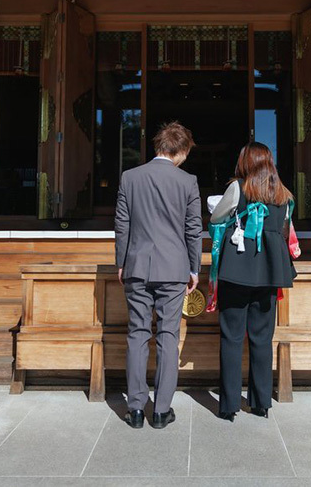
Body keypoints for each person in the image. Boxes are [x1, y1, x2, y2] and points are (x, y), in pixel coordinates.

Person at [114, 121, 201, 429]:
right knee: (167, 336)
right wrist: (194, 268)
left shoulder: (130, 177)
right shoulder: (187, 182)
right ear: (181, 150)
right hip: (174, 268)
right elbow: (193, 229)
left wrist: (121, 262)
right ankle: (162, 410)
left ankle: (136, 409)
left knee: (137, 334)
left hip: (137, 265)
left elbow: (122, 225)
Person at [209, 142, 295, 421]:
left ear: (245, 162)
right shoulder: (283, 193)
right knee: (262, 338)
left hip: (238, 269)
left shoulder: (238, 188)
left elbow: (217, 216)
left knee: (232, 337)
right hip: (270, 270)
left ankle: (229, 405)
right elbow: (285, 229)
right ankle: (261, 403)